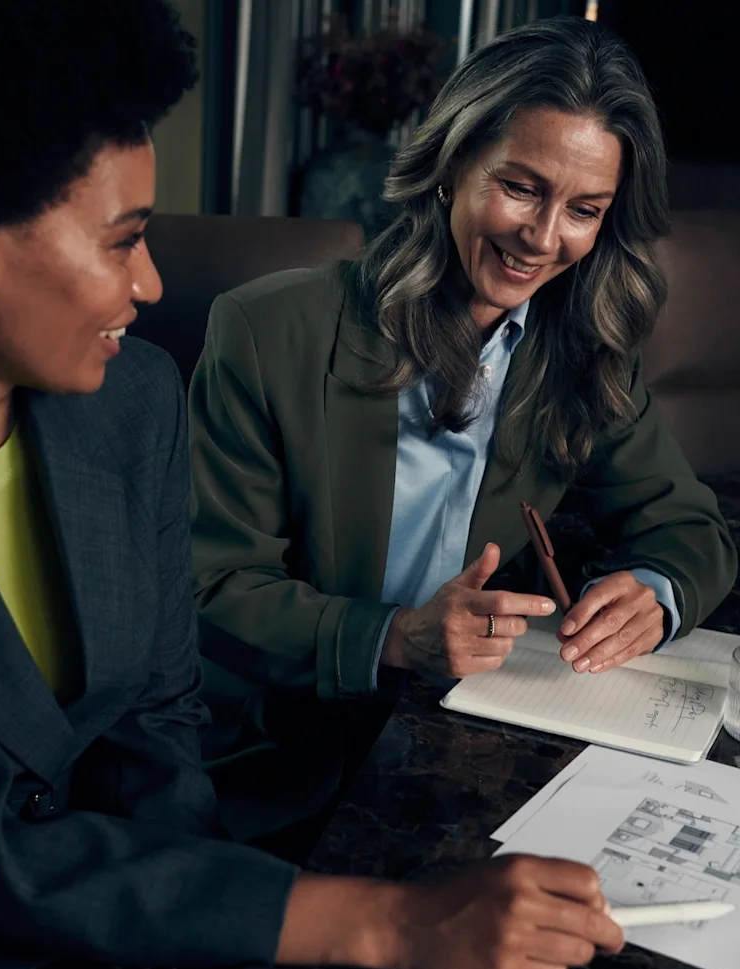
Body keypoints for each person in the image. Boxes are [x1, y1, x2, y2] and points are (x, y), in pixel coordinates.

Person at [0, 2, 626, 969]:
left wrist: (230, 961)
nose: (149, 284)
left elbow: (155, 723)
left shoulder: (131, 403)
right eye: (124, 241)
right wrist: (382, 920)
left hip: (122, 911)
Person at [190, 16, 737, 846]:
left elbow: (691, 529)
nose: (545, 239)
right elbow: (212, 591)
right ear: (451, 166)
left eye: (584, 209)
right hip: (276, 758)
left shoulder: (583, 351)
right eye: (521, 187)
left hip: (461, 744)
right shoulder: (266, 330)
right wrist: (393, 638)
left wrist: (654, 596)